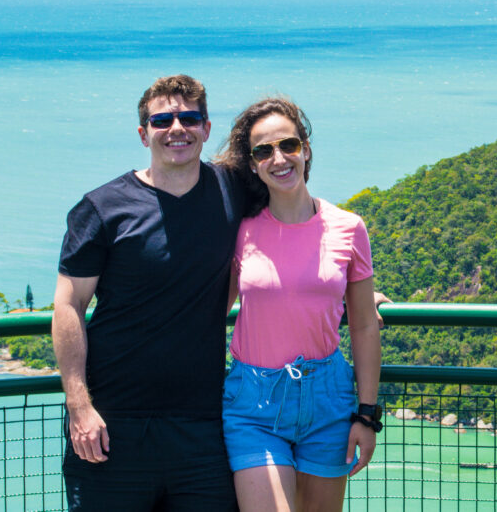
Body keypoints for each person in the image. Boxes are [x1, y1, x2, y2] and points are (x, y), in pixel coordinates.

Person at [52, 76, 386, 512]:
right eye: (162, 119)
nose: (177, 128)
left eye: (189, 117)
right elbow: (67, 305)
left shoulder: (232, 193)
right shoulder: (103, 208)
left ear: (206, 128)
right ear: (143, 132)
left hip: (205, 425)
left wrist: (359, 299)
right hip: (119, 421)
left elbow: (308, 246)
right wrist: (79, 405)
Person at [213, 97, 381, 512]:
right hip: (254, 404)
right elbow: (210, 313)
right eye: (263, 151)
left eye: (288, 145)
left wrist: (366, 415)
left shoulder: (349, 228)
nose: (279, 158)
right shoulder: (240, 230)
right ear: (252, 164)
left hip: (329, 401)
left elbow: (362, 326)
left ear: (305, 149)